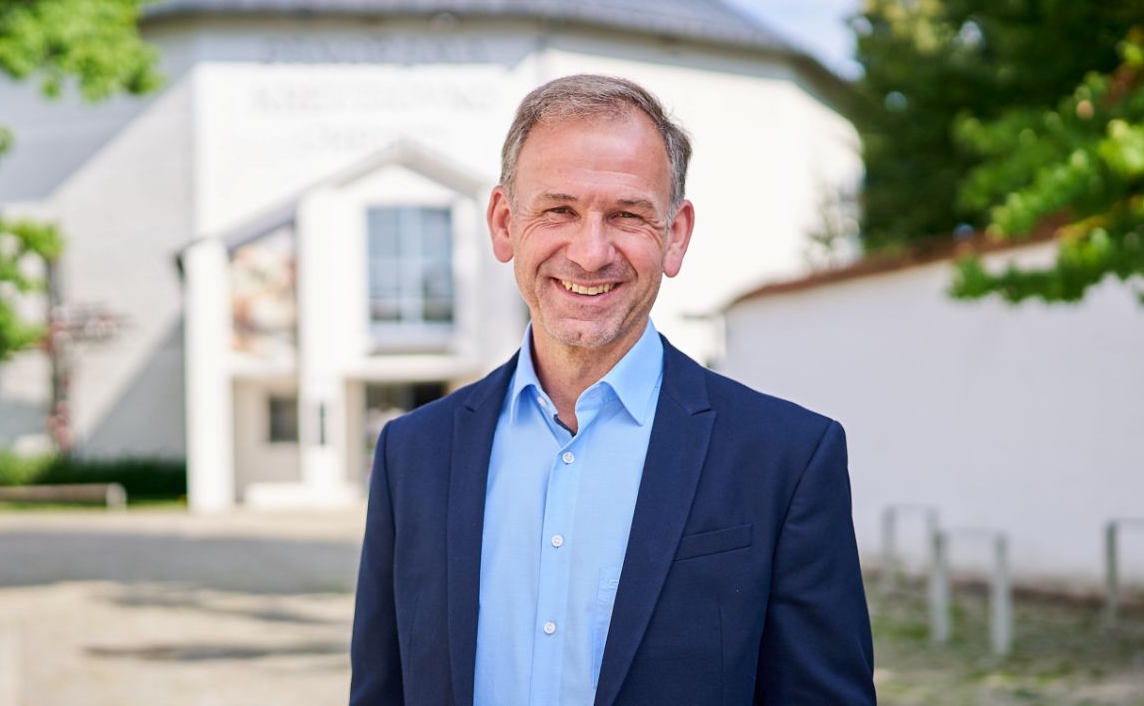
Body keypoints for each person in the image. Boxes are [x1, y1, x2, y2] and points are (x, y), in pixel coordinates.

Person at [349, 74, 875, 705]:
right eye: (558, 210)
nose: (591, 252)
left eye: (627, 215)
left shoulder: (785, 457)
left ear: (675, 235)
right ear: (503, 223)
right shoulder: (413, 454)